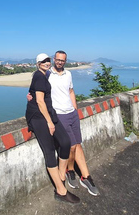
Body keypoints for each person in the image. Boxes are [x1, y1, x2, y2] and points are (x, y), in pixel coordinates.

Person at [28, 51, 100, 196]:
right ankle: (70, 171)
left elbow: (71, 91)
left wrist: (75, 109)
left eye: (63, 60)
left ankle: (85, 176)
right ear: (54, 60)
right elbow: (36, 90)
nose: (60, 62)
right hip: (59, 114)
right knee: (71, 145)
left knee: (78, 144)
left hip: (71, 113)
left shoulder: (68, 74)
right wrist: (30, 95)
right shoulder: (47, 74)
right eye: (58, 60)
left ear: (65, 61)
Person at [25, 53, 80, 204]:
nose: (46, 63)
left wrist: (29, 93)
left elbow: (34, 91)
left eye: (48, 60)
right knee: (49, 151)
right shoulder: (39, 76)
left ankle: (61, 175)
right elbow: (40, 102)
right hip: (38, 117)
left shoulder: (47, 74)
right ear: (37, 63)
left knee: (65, 142)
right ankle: (61, 191)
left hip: (50, 113)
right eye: (43, 61)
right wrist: (49, 122)